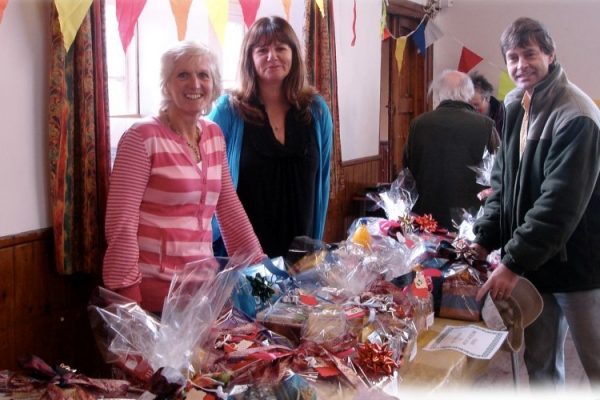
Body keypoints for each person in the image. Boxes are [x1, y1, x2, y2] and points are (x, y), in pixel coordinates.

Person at [472, 17, 600, 388]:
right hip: (536, 268)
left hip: (580, 269)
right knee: (541, 367)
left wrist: (511, 262)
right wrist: (482, 240)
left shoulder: (577, 114)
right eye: (512, 58)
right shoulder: (513, 106)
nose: (520, 65)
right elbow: (502, 186)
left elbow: (558, 204)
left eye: (529, 54)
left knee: (595, 365)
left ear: (550, 54)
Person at [102, 41, 264, 314]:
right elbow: (121, 223)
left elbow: (229, 207)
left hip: (203, 290)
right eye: (183, 75)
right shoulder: (141, 137)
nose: (195, 83)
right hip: (152, 290)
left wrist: (260, 272)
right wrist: (126, 291)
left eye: (203, 75)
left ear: (214, 84)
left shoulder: (213, 135)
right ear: (166, 84)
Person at [208, 16, 333, 258]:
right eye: (262, 49)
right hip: (244, 259)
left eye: (280, 48)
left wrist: (316, 244)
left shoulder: (316, 110)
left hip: (302, 257)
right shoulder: (228, 111)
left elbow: (323, 180)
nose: (272, 56)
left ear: (294, 54)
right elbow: (208, 182)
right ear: (249, 58)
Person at [403, 69, 500, 230]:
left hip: (426, 221)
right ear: (469, 93)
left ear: (439, 93)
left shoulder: (418, 124)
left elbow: (407, 172)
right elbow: (499, 173)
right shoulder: (485, 125)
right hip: (471, 222)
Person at [469, 71, 506, 137]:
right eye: (468, 105)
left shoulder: (505, 115)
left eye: (476, 105)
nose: (472, 110)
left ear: (488, 98)